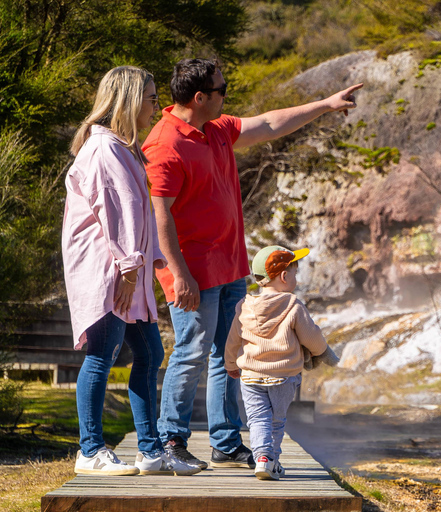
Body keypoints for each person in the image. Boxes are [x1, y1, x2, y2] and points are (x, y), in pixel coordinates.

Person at [142, 58, 361, 469]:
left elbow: (272, 123)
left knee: (233, 356)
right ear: (200, 97)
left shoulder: (217, 128)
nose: (228, 96)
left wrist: (326, 105)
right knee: (191, 353)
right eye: (223, 90)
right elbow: (160, 216)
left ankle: (225, 441)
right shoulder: (165, 143)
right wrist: (180, 275)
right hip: (193, 274)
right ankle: (171, 442)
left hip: (230, 269)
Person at [63, 66, 201, 476]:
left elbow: (137, 212)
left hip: (129, 271)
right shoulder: (104, 150)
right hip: (109, 272)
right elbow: (116, 212)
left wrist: (152, 256)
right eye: (150, 96)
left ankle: (150, 451)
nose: (156, 103)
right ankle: (90, 450)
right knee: (102, 352)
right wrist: (127, 270)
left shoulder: (121, 148)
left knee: (150, 352)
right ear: (126, 100)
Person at [224, 246, 339, 480]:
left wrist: (230, 364)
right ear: (284, 277)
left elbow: (233, 340)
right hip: (283, 377)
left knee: (257, 419)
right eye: (295, 274)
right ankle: (271, 461)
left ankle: (262, 458)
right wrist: (323, 352)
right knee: (276, 420)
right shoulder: (293, 305)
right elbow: (311, 337)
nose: (296, 279)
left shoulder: (244, 306)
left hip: (250, 376)